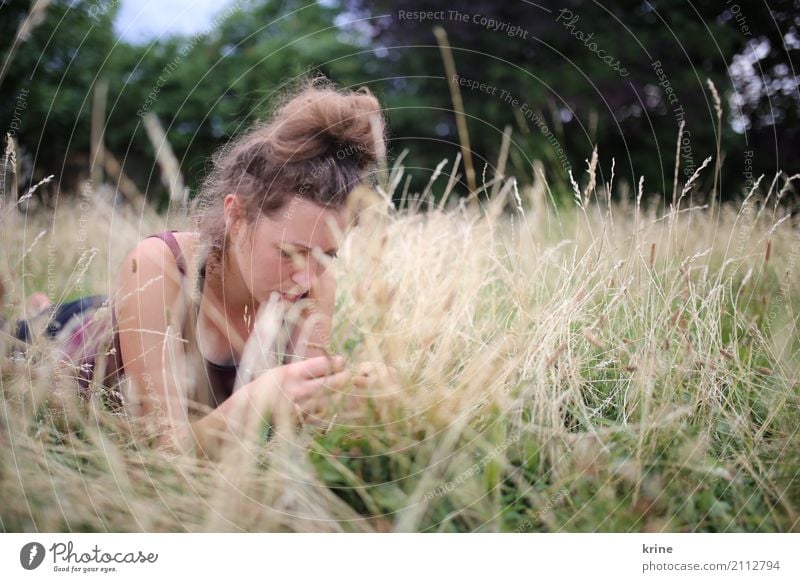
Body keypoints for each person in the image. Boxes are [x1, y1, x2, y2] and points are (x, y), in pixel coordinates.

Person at [13, 77, 388, 456]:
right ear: (236, 216)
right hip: (67, 343)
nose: (306, 276)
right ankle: (35, 312)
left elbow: (303, 431)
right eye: (290, 252)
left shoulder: (315, 284)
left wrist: (349, 404)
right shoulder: (160, 263)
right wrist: (257, 402)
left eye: (327, 254)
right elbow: (164, 451)